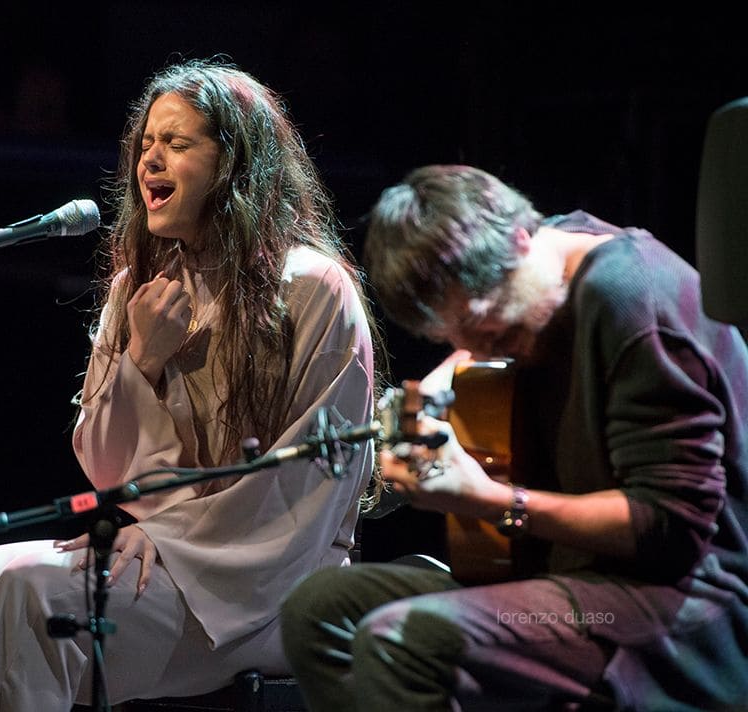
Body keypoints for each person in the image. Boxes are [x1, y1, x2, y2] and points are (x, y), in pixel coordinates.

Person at [0, 58, 380, 711]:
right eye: (146, 144)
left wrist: (168, 536)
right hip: (157, 558)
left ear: (233, 164)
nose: (150, 161)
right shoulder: (140, 289)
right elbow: (104, 467)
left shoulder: (313, 288)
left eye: (177, 145)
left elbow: (310, 482)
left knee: (32, 595)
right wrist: (142, 360)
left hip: (270, 584)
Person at [280, 164, 748, 711]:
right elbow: (476, 338)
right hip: (570, 577)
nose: (480, 351)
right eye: (457, 340)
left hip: (683, 605)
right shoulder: (556, 250)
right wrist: (430, 394)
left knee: (403, 640)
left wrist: (489, 500)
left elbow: (672, 525)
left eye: (491, 334)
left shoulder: (629, 298)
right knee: (317, 610)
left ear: (522, 241)